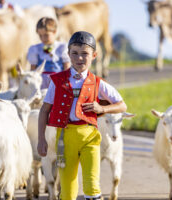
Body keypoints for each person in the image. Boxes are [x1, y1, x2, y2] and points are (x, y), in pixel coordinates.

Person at [37, 31, 127, 200]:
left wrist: (102, 108)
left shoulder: (98, 82)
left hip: (90, 137)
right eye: (75, 53)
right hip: (64, 138)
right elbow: (44, 110)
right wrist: (41, 139)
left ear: (94, 55)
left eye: (84, 54)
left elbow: (122, 105)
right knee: (68, 187)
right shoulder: (57, 81)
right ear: (68, 54)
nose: (79, 58)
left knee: (92, 183)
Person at [27, 17, 70, 89]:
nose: (43, 38)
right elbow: (33, 69)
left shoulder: (61, 47)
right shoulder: (36, 49)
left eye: (46, 35)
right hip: (41, 83)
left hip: (58, 82)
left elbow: (67, 68)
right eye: (40, 35)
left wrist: (67, 82)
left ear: (54, 32)